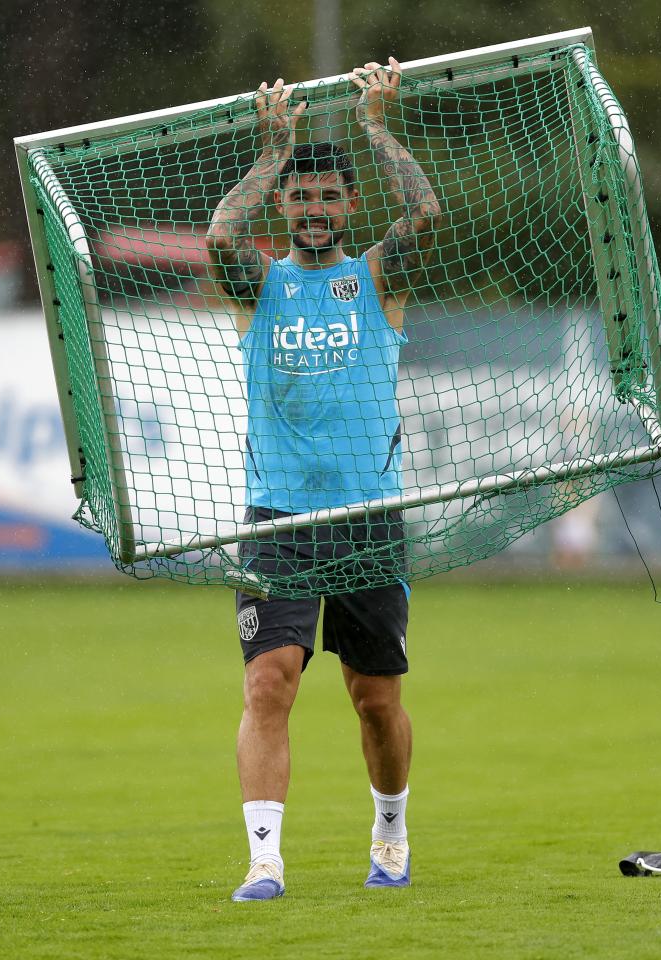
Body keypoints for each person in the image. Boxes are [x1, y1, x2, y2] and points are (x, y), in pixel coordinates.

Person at [205, 57, 442, 902]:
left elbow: (425, 211)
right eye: (300, 195)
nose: (314, 207)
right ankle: (264, 859)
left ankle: (390, 832)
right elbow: (219, 240)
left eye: (327, 195)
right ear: (284, 205)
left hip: (372, 514)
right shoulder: (257, 284)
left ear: (347, 206)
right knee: (270, 680)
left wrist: (376, 128)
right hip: (277, 519)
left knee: (374, 697)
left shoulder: (376, 276)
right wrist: (275, 150)